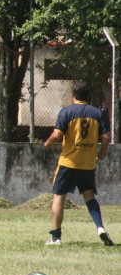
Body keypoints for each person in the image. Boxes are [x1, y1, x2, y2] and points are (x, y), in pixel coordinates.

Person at [43, 82, 113, 246]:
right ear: (87, 96)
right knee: (89, 197)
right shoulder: (97, 113)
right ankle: (100, 228)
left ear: (72, 96)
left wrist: (48, 142)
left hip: (68, 162)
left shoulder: (66, 112)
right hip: (88, 163)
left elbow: (57, 134)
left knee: (59, 197)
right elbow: (106, 137)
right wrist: (101, 152)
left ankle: (56, 237)